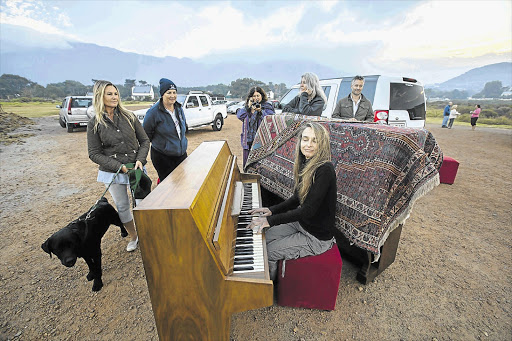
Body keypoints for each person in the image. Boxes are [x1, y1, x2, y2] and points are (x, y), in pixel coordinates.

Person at [247, 122, 337, 281]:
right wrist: (272, 210)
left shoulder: (325, 170)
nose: (308, 145)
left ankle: (269, 287)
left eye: (314, 141)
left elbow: (308, 210)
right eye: (305, 139)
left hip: (316, 237)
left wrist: (270, 220)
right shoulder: (307, 162)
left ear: (321, 144)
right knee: (263, 237)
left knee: (269, 250)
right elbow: (297, 198)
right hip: (302, 224)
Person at [87, 80, 150, 252]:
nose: (114, 97)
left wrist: (141, 160)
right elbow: (94, 153)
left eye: (115, 93)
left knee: (143, 203)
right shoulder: (95, 123)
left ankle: (148, 234)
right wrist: (118, 166)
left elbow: (144, 141)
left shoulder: (130, 116)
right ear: (100, 96)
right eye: (109, 94)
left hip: (136, 168)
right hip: (113, 172)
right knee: (122, 206)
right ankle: (134, 236)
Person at [143, 78, 188, 181]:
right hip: (163, 156)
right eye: (169, 93)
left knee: (183, 181)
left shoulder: (179, 109)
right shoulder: (153, 113)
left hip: (181, 154)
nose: (172, 95)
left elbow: (183, 128)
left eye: (174, 92)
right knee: (169, 185)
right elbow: (146, 135)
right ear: (162, 94)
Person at [236, 86, 275, 166]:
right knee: (247, 164)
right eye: (254, 96)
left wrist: (260, 111)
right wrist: (248, 107)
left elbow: (270, 118)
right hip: (248, 140)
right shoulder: (248, 107)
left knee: (260, 164)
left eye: (258, 96)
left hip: (261, 140)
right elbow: (240, 116)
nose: (256, 98)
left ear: (262, 96)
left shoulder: (267, 106)